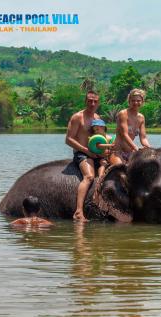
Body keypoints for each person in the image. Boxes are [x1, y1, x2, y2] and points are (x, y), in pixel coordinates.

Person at [65, 90, 102, 222]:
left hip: (96, 153)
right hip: (82, 153)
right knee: (89, 176)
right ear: (85, 101)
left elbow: (100, 138)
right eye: (90, 101)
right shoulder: (77, 117)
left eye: (95, 101)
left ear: (98, 103)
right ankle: (79, 211)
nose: (92, 103)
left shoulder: (97, 118)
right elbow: (69, 139)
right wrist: (86, 151)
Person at [113, 88, 151, 163]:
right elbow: (125, 134)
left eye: (138, 101)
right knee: (120, 168)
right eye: (133, 100)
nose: (136, 103)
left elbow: (143, 138)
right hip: (117, 151)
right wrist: (135, 148)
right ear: (129, 102)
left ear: (142, 102)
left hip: (130, 152)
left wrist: (149, 148)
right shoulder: (123, 114)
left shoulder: (141, 118)